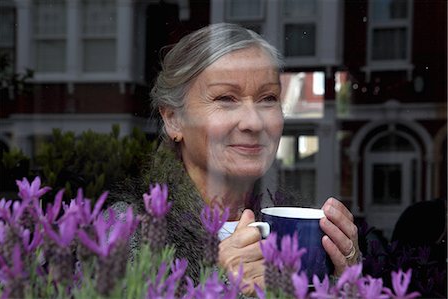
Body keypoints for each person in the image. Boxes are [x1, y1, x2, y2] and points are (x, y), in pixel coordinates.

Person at [111, 23, 360, 296]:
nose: (253, 122)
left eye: (268, 98)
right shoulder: (129, 227)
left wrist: (345, 282)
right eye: (226, 98)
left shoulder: (291, 225)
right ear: (173, 119)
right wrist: (221, 285)